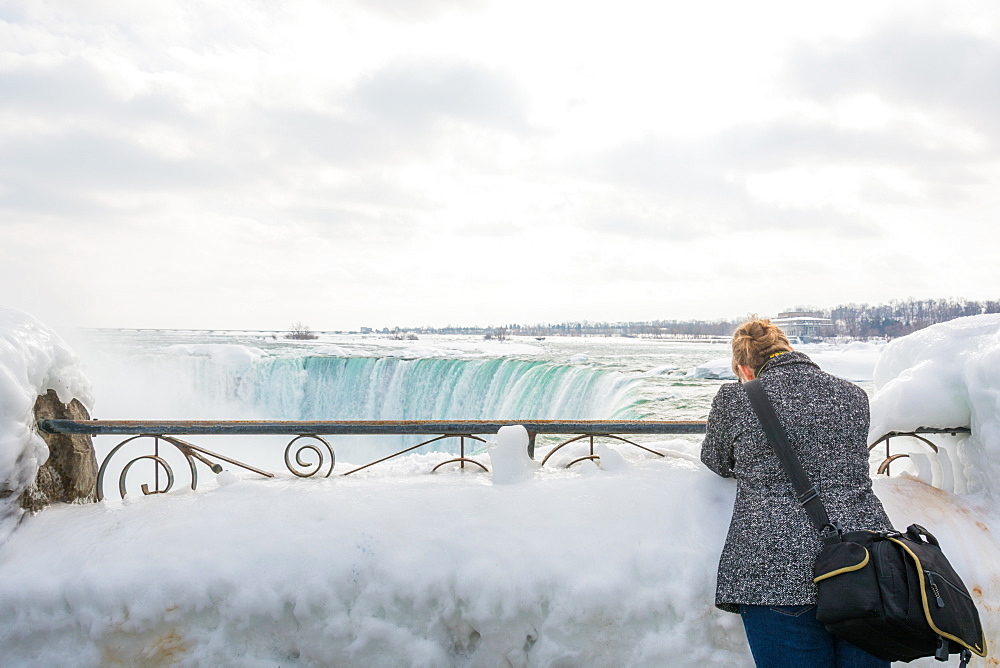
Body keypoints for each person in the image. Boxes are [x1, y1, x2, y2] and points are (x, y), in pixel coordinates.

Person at [701, 317, 893, 668]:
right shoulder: (852, 393)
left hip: (774, 565)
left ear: (745, 368)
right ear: (789, 348)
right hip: (863, 562)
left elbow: (716, 460)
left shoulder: (735, 398)